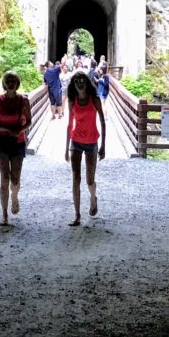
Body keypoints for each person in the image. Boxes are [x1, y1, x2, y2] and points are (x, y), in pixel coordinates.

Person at [65, 71, 106, 226]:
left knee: (90, 180)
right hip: (75, 141)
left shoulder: (94, 99)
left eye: (82, 80)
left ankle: (93, 198)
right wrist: (65, 148)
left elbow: (103, 122)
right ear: (73, 85)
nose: (80, 83)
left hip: (91, 142)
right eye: (77, 81)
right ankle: (77, 215)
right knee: (76, 177)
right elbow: (69, 124)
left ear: (87, 83)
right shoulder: (72, 101)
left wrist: (103, 146)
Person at [0, 70, 30, 226]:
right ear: (4, 84)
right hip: (2, 142)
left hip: (18, 142)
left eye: (13, 80)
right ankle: (4, 214)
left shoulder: (23, 101)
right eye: (8, 80)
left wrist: (18, 131)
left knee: (15, 179)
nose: (11, 83)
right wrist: (8, 130)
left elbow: (29, 121)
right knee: (4, 178)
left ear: (17, 83)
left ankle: (14, 197)